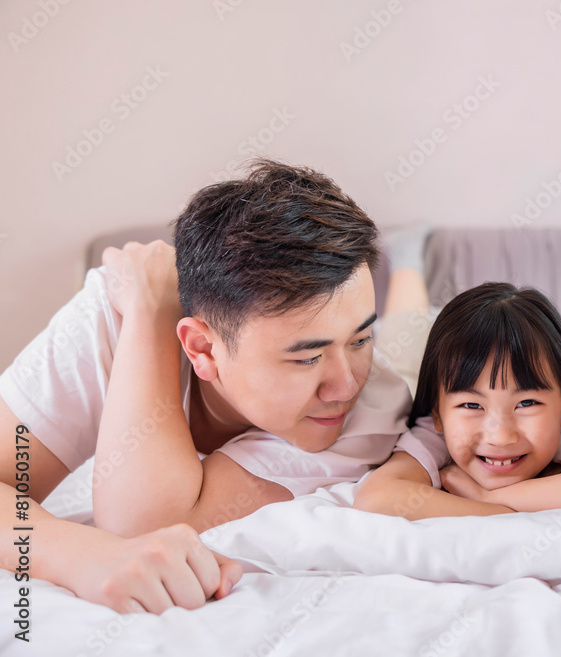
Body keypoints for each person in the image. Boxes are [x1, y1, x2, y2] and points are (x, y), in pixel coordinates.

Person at [0, 160, 411, 613]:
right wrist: (75, 554)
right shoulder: (117, 311)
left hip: (411, 362)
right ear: (202, 347)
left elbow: (143, 527)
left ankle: (411, 269)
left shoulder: (374, 409)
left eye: (360, 339)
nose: (344, 385)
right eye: (306, 358)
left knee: (420, 330)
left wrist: (150, 318)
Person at [354, 281, 561, 518]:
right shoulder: (438, 425)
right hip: (419, 377)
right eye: (472, 405)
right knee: (402, 348)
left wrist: (486, 497)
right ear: (438, 416)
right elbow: (376, 496)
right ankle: (409, 261)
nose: (500, 436)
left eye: (527, 404)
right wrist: (498, 515)